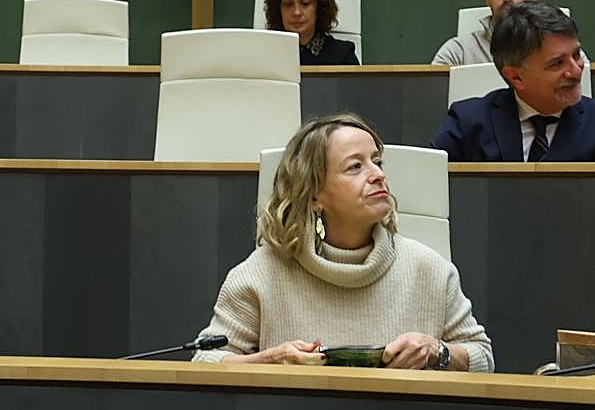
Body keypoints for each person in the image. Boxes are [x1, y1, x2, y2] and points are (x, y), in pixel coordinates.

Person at [193, 113, 493, 371]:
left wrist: (437, 351)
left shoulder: (429, 268)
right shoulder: (262, 271)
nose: (378, 175)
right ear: (313, 196)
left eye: (377, 162)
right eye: (355, 167)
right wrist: (268, 361)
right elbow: (205, 362)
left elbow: (482, 358)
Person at [431, 1, 595, 162]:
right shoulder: (468, 123)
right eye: (557, 63)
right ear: (516, 77)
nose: (576, 71)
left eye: (576, 54)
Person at [263, 0, 359, 66]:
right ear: (278, 10)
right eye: (288, 4)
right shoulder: (265, 55)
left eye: (305, 4)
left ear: (319, 7)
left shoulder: (343, 55)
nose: (297, 12)